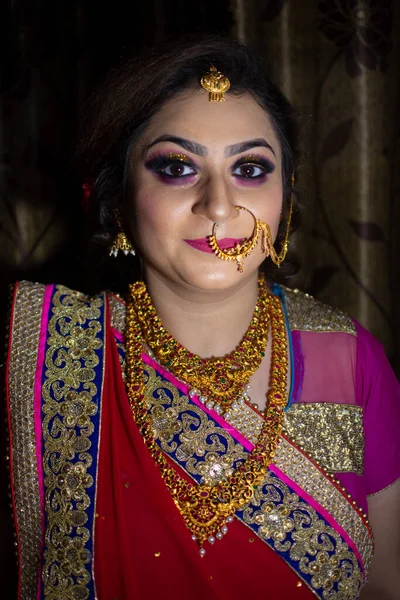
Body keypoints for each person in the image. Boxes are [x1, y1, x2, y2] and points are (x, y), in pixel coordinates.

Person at [5, 35, 400, 600]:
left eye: (250, 168)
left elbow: (386, 586)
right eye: (175, 166)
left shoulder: (352, 361)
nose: (219, 205)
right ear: (119, 200)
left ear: (285, 199)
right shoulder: (41, 357)